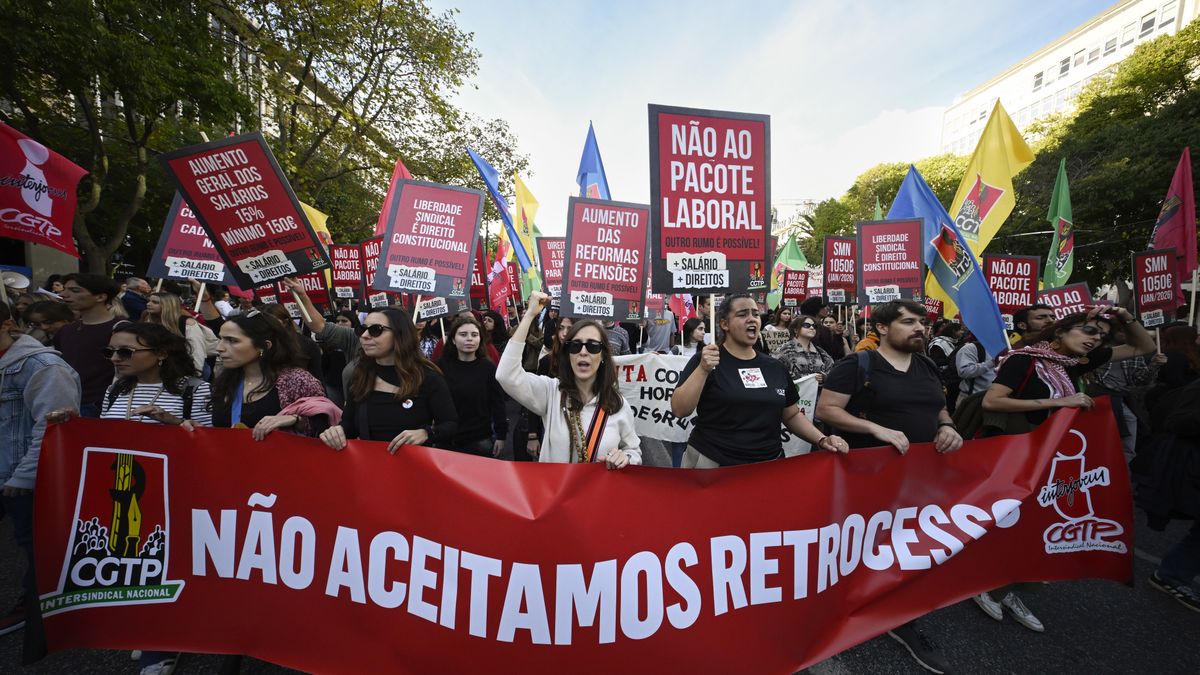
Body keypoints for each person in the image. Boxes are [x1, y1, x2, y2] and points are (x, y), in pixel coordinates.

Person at [977, 307, 1155, 632]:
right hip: (1015, 456)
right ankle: (988, 584)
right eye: (1089, 331)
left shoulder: (1076, 364)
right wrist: (1058, 403)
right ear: (1060, 333)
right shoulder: (1023, 360)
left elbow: (1145, 347)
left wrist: (1124, 316)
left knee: (1043, 527)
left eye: (1100, 335)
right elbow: (993, 401)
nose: (1095, 340)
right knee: (1015, 524)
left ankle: (1009, 589)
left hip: (1056, 460)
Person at [815, 299, 962, 674]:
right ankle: (843, 609)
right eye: (909, 322)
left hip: (920, 481)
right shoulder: (858, 365)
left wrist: (947, 426)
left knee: (907, 546)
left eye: (922, 323)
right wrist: (875, 429)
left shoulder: (927, 365)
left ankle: (900, 617)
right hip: (867, 481)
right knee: (865, 547)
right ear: (881, 328)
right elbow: (826, 410)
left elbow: (939, 407)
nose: (920, 328)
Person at [672, 294, 846, 468]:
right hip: (714, 464)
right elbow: (680, 409)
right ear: (725, 324)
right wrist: (703, 369)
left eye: (755, 314)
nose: (752, 319)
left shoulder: (774, 366)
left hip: (767, 467)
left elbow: (791, 414)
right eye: (742, 314)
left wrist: (822, 439)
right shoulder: (707, 361)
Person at [0, 301, 80, 637]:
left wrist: (24, 477)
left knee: (34, 547)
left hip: (17, 478)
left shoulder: (42, 366)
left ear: (6, 324)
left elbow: (51, 426)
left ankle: (35, 608)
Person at [498, 291, 640, 468]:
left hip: (599, 495)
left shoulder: (617, 404)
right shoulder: (551, 393)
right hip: (556, 494)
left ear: (603, 355)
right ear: (568, 354)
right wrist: (529, 315)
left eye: (592, 346)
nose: (583, 351)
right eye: (575, 345)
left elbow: (634, 451)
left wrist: (625, 457)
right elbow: (505, 375)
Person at [319, 309, 458, 452]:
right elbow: (349, 426)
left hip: (414, 469)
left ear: (400, 334)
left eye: (376, 330)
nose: (365, 336)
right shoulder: (360, 375)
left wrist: (426, 433)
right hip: (372, 468)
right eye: (362, 329)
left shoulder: (428, 378)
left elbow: (450, 424)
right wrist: (337, 432)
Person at [210, 312, 330, 437]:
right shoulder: (224, 380)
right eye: (221, 339)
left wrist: (297, 420)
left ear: (265, 346)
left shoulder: (297, 381)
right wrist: (198, 431)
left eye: (232, 340)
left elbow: (323, 430)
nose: (220, 347)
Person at [55, 273, 125, 417]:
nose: (64, 295)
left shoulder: (122, 329)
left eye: (75, 291)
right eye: (64, 289)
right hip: (69, 402)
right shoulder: (66, 330)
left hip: (102, 405)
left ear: (100, 297)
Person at [438, 314, 506, 457]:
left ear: (480, 339)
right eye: (463, 334)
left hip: (480, 440)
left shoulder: (488, 368)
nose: (469, 338)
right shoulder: (441, 366)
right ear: (453, 340)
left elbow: (497, 403)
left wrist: (501, 435)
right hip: (447, 441)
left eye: (474, 335)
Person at [143, 291, 211, 374]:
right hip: (162, 369)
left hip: (187, 369)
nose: (148, 304)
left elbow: (197, 350)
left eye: (155, 302)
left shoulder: (187, 323)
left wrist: (196, 372)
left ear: (168, 305)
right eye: (149, 301)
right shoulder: (149, 321)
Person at [771, 315, 834, 383]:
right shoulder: (784, 350)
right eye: (806, 325)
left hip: (817, 392)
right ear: (796, 330)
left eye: (814, 326)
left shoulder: (821, 352)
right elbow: (774, 373)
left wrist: (824, 377)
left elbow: (832, 371)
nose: (812, 328)